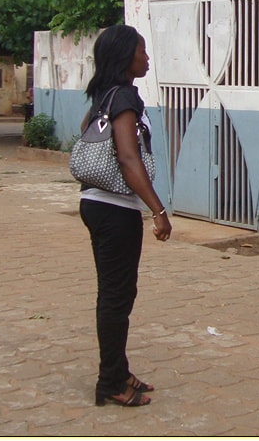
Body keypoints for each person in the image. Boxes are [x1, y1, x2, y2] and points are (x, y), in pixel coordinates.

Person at [79, 24, 173, 407]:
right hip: (115, 209)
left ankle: (119, 371)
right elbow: (127, 157)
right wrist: (159, 210)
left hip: (96, 204)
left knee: (117, 294)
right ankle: (110, 383)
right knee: (116, 296)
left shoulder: (103, 96)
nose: (147, 57)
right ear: (125, 57)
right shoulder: (124, 98)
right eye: (142, 51)